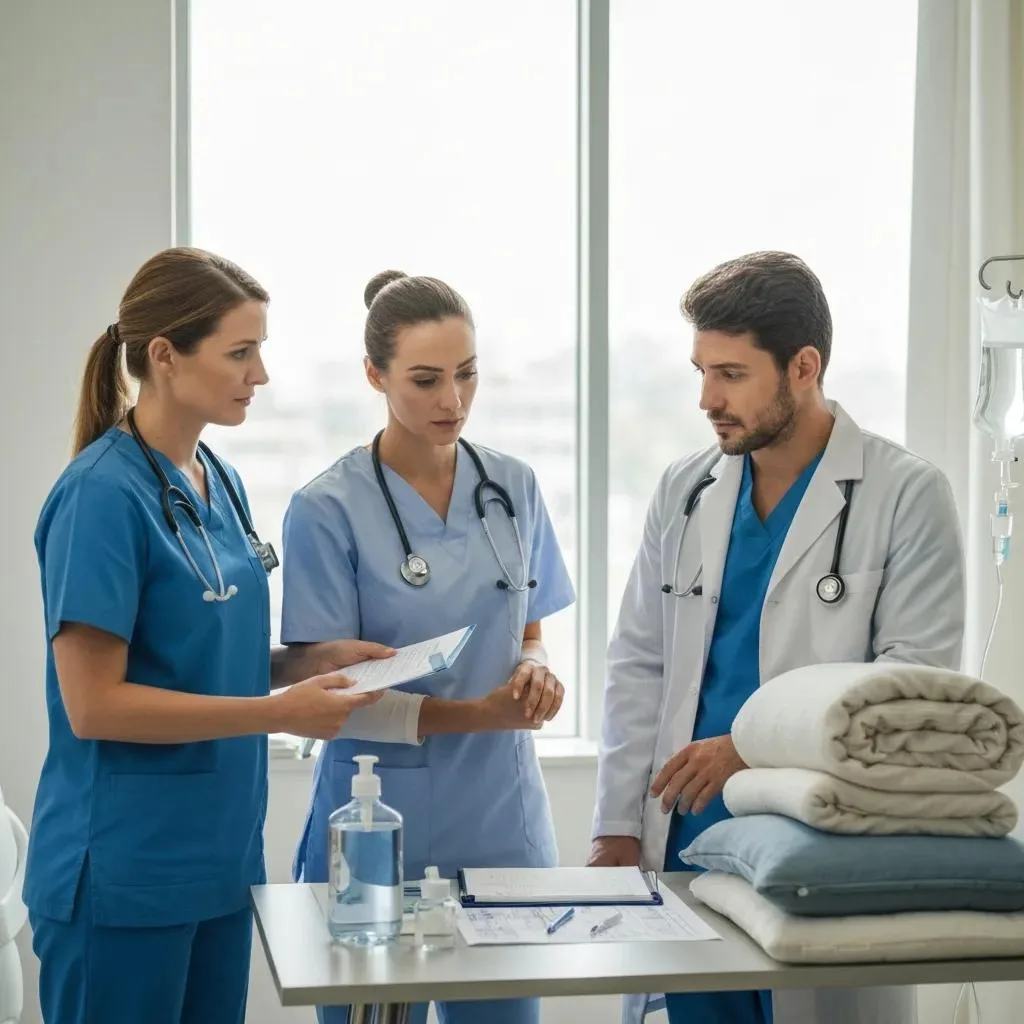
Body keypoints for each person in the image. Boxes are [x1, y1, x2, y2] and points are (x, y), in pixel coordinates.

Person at [589, 251, 965, 1024]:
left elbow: (913, 685)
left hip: (823, 846)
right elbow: (640, 664)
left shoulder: (907, 495)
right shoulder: (685, 491)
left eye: (730, 374)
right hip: (689, 844)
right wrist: (617, 829)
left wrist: (752, 747)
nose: (706, 398)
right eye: (701, 371)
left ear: (803, 367)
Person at [24, 247, 394, 1024]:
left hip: (217, 866)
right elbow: (96, 706)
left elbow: (197, 658)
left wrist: (306, 662)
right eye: (240, 352)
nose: (259, 374)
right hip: (123, 873)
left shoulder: (211, 478)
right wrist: (279, 711)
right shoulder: (100, 497)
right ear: (164, 356)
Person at [280, 269, 577, 1024]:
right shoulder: (326, 509)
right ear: (375, 375)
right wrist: (482, 713)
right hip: (375, 827)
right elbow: (331, 700)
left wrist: (535, 668)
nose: (453, 401)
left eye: (467, 374)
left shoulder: (513, 487)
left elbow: (528, 622)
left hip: (501, 825)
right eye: (425, 380)